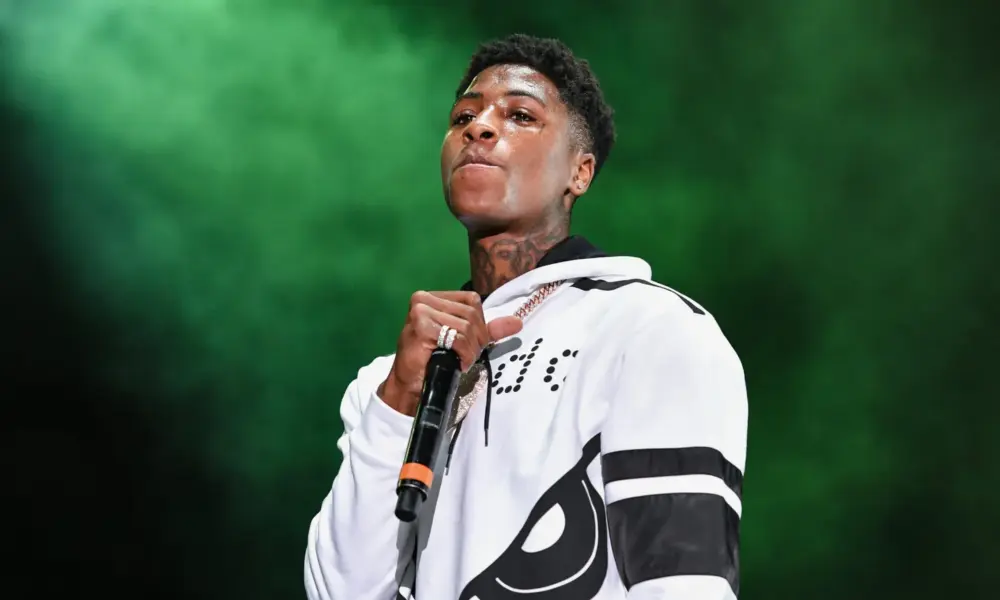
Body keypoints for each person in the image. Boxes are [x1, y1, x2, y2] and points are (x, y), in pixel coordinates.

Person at [305, 33, 748, 600]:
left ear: (579, 173)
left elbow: (683, 582)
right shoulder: (384, 383)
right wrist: (397, 401)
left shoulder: (648, 328)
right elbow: (341, 592)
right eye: (464, 116)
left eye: (520, 116)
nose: (479, 128)